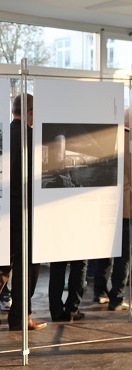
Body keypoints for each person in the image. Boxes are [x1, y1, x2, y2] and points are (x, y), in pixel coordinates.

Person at [0, 94, 47, 331]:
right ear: (31, 113)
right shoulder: (34, 138)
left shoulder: (1, 136)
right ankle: (20, 317)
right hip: (26, 212)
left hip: (2, 210)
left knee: (0, 262)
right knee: (28, 267)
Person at [92, 106, 131, 311]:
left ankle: (99, 292)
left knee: (104, 250)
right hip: (125, 205)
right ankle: (117, 297)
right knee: (123, 254)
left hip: (104, 203)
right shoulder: (129, 140)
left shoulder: (108, 137)